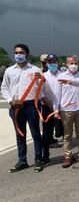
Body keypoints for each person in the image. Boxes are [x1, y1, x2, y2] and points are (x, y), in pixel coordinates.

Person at [1, 44, 45, 173]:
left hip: (31, 106)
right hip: (15, 107)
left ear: (27, 54)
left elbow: (41, 89)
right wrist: (10, 100)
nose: (18, 54)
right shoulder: (9, 71)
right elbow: (4, 87)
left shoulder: (35, 70)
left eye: (21, 52)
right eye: (16, 52)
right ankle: (22, 161)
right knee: (20, 135)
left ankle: (38, 160)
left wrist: (41, 82)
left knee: (36, 133)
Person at [55, 55, 79, 168]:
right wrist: (56, 109)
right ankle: (67, 156)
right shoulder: (61, 77)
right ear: (66, 64)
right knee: (67, 135)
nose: (73, 65)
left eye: (75, 63)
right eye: (71, 63)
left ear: (78, 64)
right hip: (66, 110)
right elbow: (57, 95)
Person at [41, 54, 64, 164]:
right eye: (49, 62)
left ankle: (68, 155)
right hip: (47, 108)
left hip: (62, 108)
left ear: (58, 63)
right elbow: (41, 93)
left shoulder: (64, 75)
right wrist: (51, 106)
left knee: (66, 133)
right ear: (46, 64)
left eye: (54, 61)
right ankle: (45, 156)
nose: (52, 64)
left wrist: (58, 107)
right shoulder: (43, 76)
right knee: (46, 133)